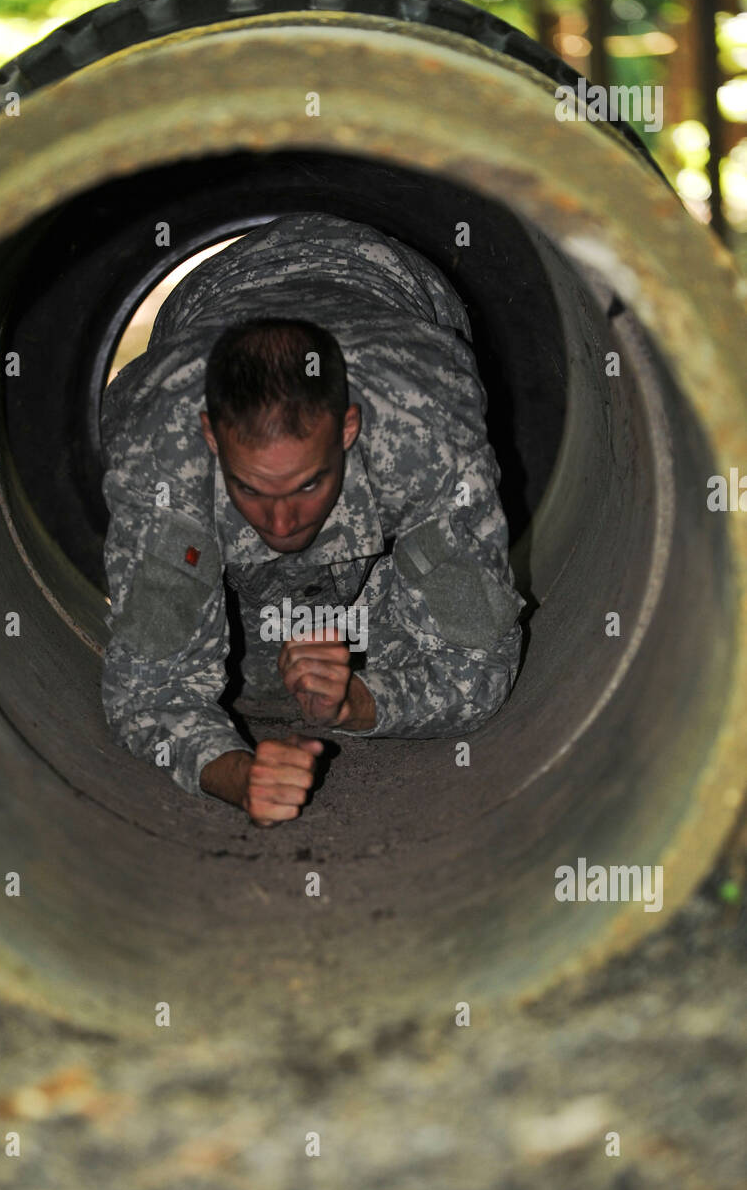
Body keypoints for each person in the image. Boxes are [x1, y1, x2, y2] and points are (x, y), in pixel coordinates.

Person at [100, 211, 525, 827]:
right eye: (252, 489)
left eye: (307, 484)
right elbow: (145, 688)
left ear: (348, 430)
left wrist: (359, 700)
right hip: (211, 296)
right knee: (253, 660)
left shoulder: (423, 438)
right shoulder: (161, 459)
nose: (280, 520)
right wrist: (236, 775)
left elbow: (479, 665)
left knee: (394, 634)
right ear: (211, 439)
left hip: (397, 286)